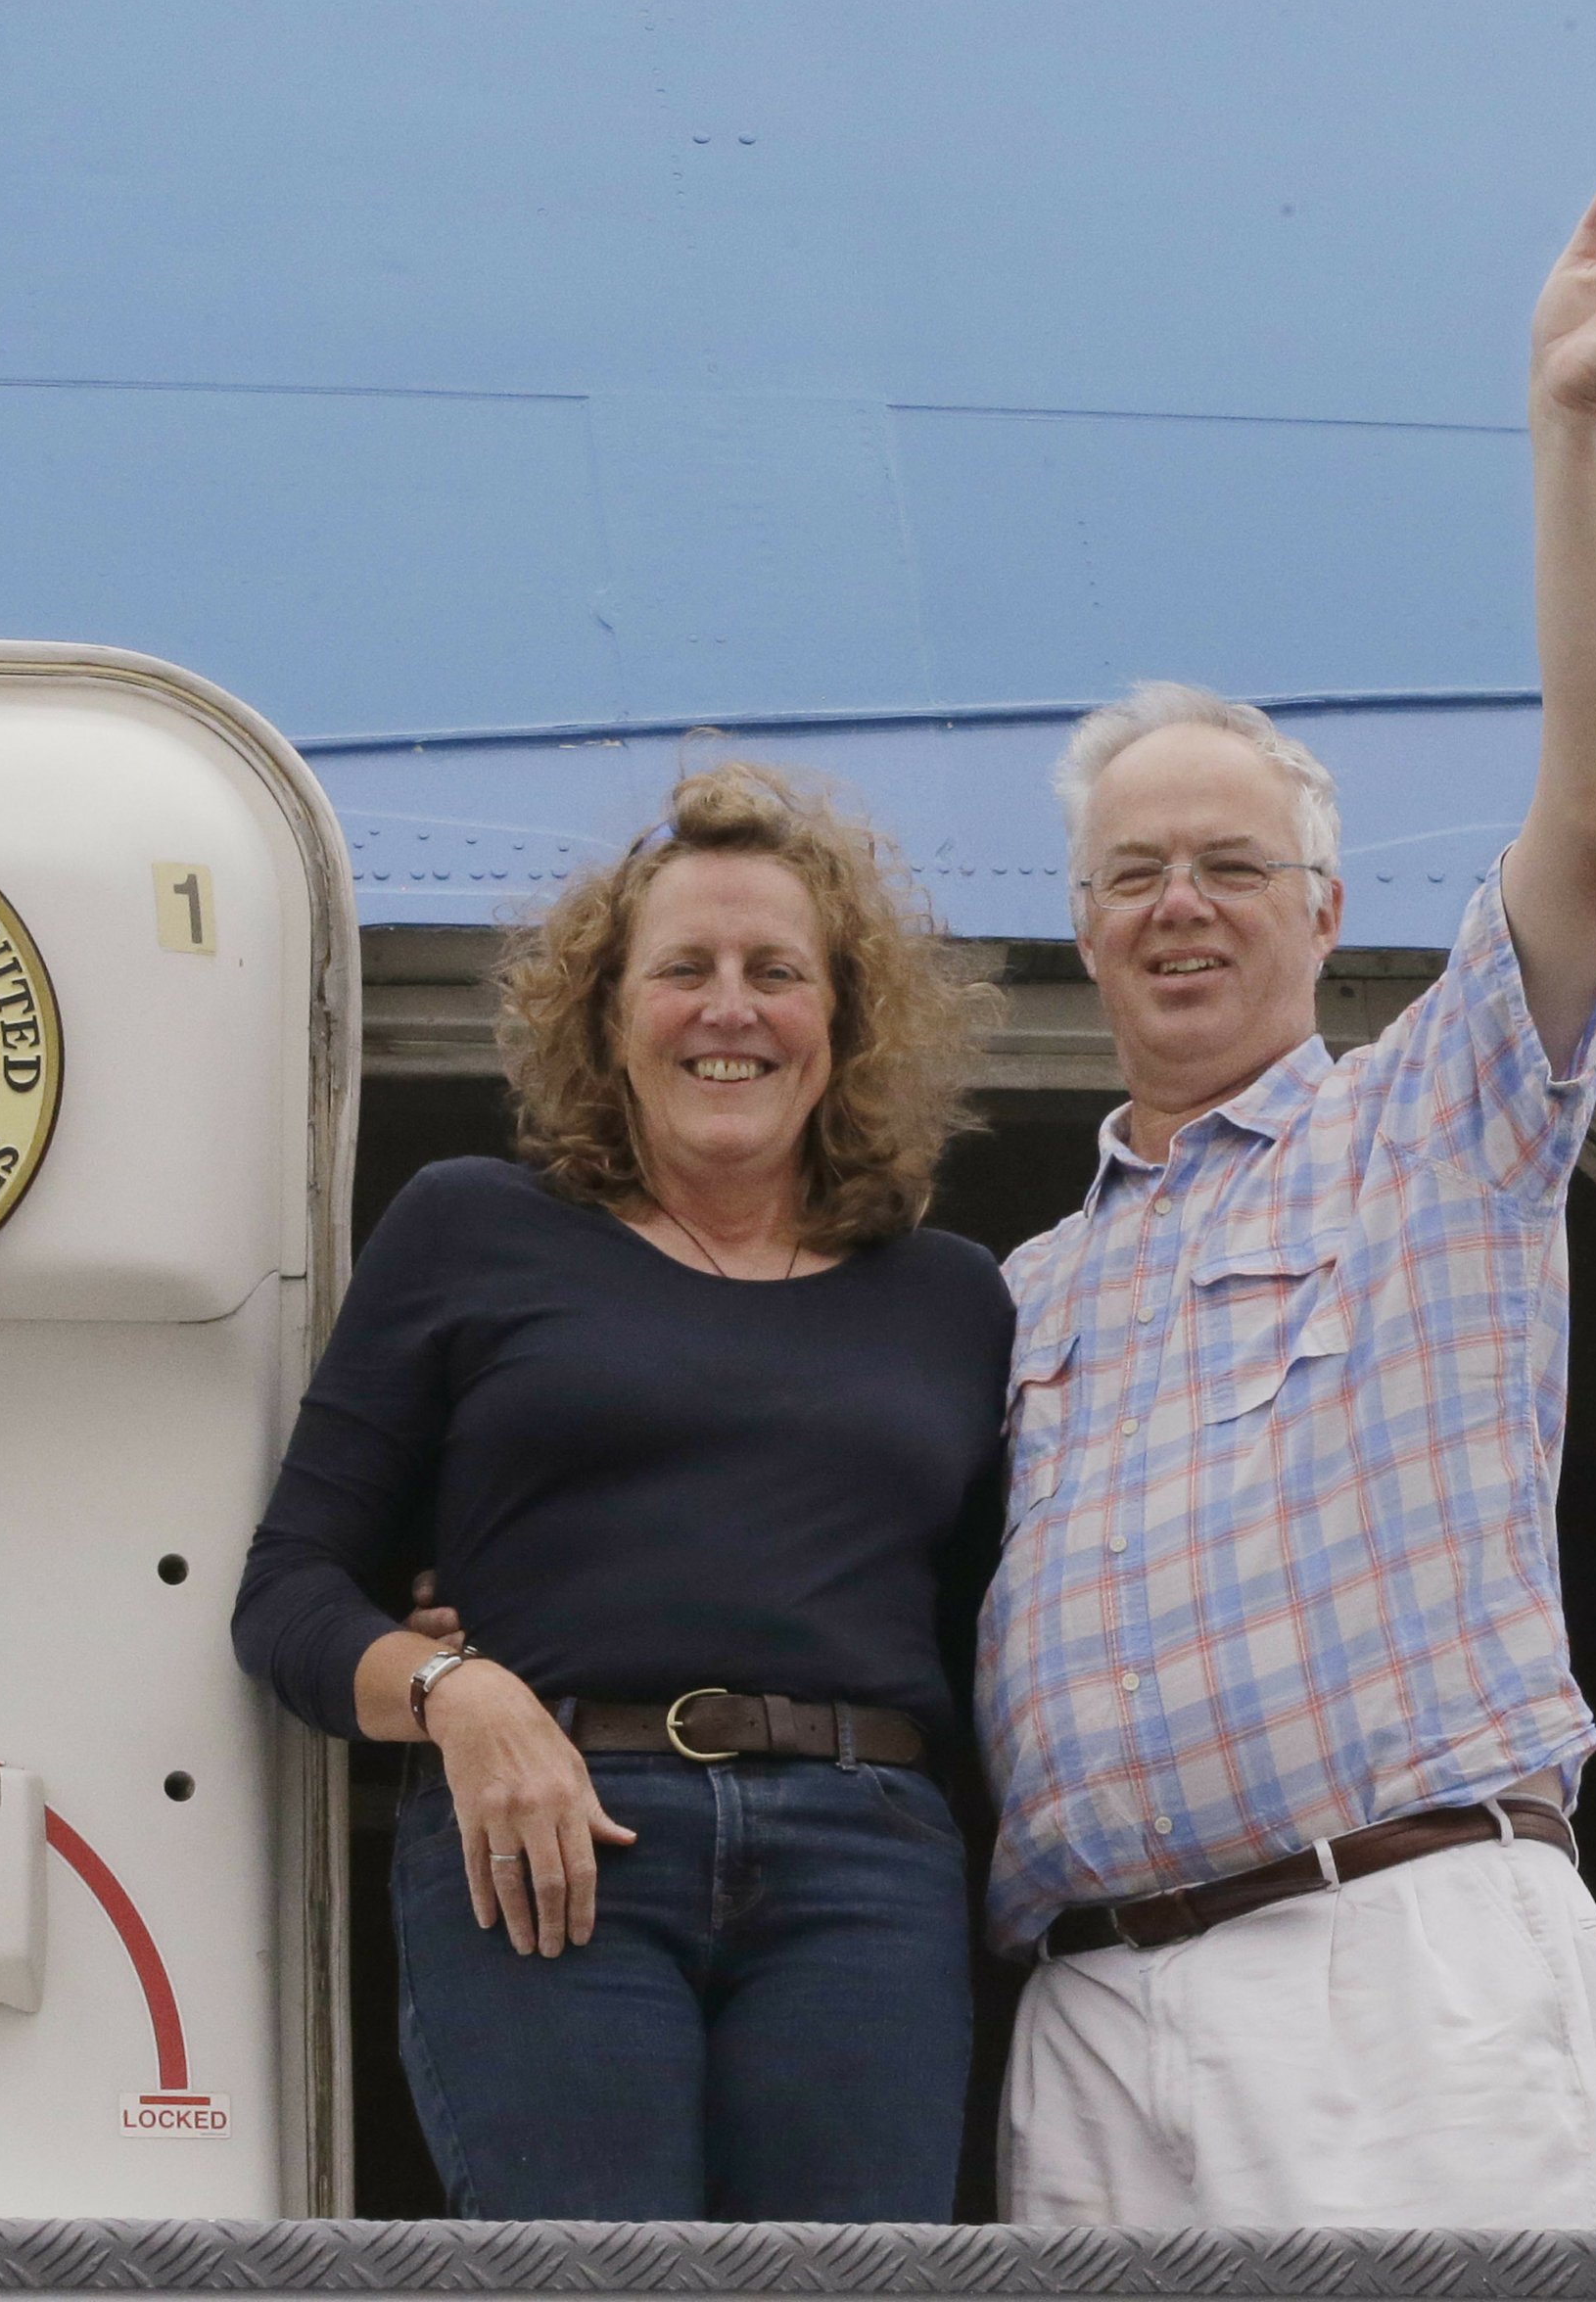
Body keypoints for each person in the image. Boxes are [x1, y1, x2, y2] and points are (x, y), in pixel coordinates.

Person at [978, 181, 1596, 2227]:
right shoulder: (1022, 1288)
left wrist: (1566, 424)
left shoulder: (1438, 1120)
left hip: (1396, 1956)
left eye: (1232, 866)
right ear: (1084, 929)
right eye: (1134, 873)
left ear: (1324, 913)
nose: (1182, 904)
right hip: (1088, 2014)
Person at [231, 761, 1011, 2222]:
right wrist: (458, 1694)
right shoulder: (470, 1229)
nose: (730, 1008)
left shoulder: (955, 1299)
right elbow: (287, 1598)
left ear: (844, 1021)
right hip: (553, 1840)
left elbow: (991, 1639)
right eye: (683, 970)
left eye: (776, 972)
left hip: (869, 1873)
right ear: (606, 1015)